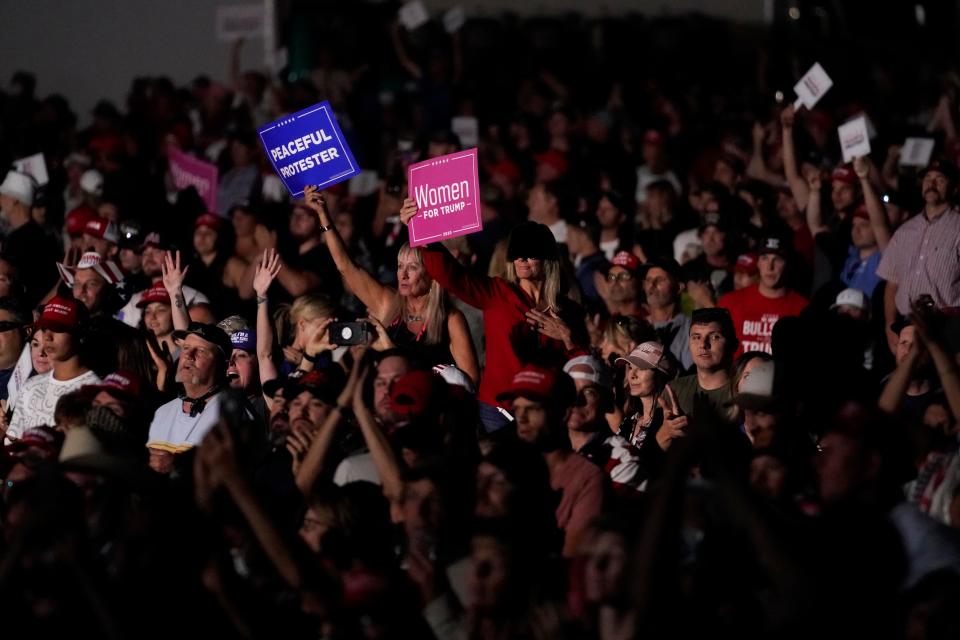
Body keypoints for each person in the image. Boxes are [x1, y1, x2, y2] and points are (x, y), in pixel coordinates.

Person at [400, 206, 587, 434]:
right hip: (496, 412)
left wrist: (567, 338)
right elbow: (453, 275)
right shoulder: (498, 293)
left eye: (530, 252)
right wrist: (421, 229)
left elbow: (581, 370)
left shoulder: (567, 311)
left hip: (543, 412)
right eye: (517, 252)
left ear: (547, 258)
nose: (522, 259)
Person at [303, 185, 478, 381]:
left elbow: (469, 383)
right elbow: (346, 266)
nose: (402, 275)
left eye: (412, 267)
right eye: (399, 266)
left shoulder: (451, 319)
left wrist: (390, 350)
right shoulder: (389, 304)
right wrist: (323, 215)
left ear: (431, 275)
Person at [497, 365, 605, 557]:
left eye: (533, 409)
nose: (521, 418)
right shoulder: (501, 466)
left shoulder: (586, 478)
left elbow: (572, 556)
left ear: (563, 413)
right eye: (517, 408)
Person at [878, 159, 960, 352]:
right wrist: (889, 326)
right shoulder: (905, 231)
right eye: (927, 178)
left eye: (940, 179)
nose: (931, 184)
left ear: (954, 188)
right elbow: (892, 284)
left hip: (946, 326)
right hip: (906, 324)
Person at [7, 297, 101, 440]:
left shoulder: (97, 392)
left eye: (58, 329)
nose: (48, 337)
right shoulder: (30, 387)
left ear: (80, 334)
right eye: (44, 328)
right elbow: (14, 446)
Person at [146, 322, 232, 455]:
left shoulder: (231, 416)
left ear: (224, 366)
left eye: (201, 351)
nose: (189, 355)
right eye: (186, 348)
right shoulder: (162, 412)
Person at [563, 355, 644, 493]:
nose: (577, 400)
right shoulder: (543, 447)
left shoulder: (623, 459)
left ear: (607, 400)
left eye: (589, 392)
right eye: (569, 390)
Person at [717, 236, 808, 356]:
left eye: (777, 259)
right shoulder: (729, 303)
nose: (770, 267)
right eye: (765, 258)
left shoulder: (803, 309)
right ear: (758, 263)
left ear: (787, 264)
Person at [117, 232, 209, 327]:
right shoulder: (135, 299)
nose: (148, 257)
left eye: (157, 251)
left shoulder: (194, 297)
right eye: (144, 253)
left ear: (174, 257)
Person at [666, 307, 739, 427]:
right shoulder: (673, 391)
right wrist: (665, 434)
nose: (703, 345)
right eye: (696, 337)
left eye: (715, 337)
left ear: (734, 345)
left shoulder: (744, 393)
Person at [0, 170, 59, 305]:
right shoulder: (42, 236)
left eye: (2, 195)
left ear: (14, 200)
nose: (0, 200)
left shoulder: (17, 241)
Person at [642, 257, 693, 371]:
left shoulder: (690, 328)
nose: (652, 285)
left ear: (679, 287)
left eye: (660, 280)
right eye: (648, 280)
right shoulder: (638, 325)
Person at [598, 251, 645, 318]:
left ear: (640, 282)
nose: (615, 282)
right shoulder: (603, 324)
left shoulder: (650, 322)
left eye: (623, 276)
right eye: (611, 277)